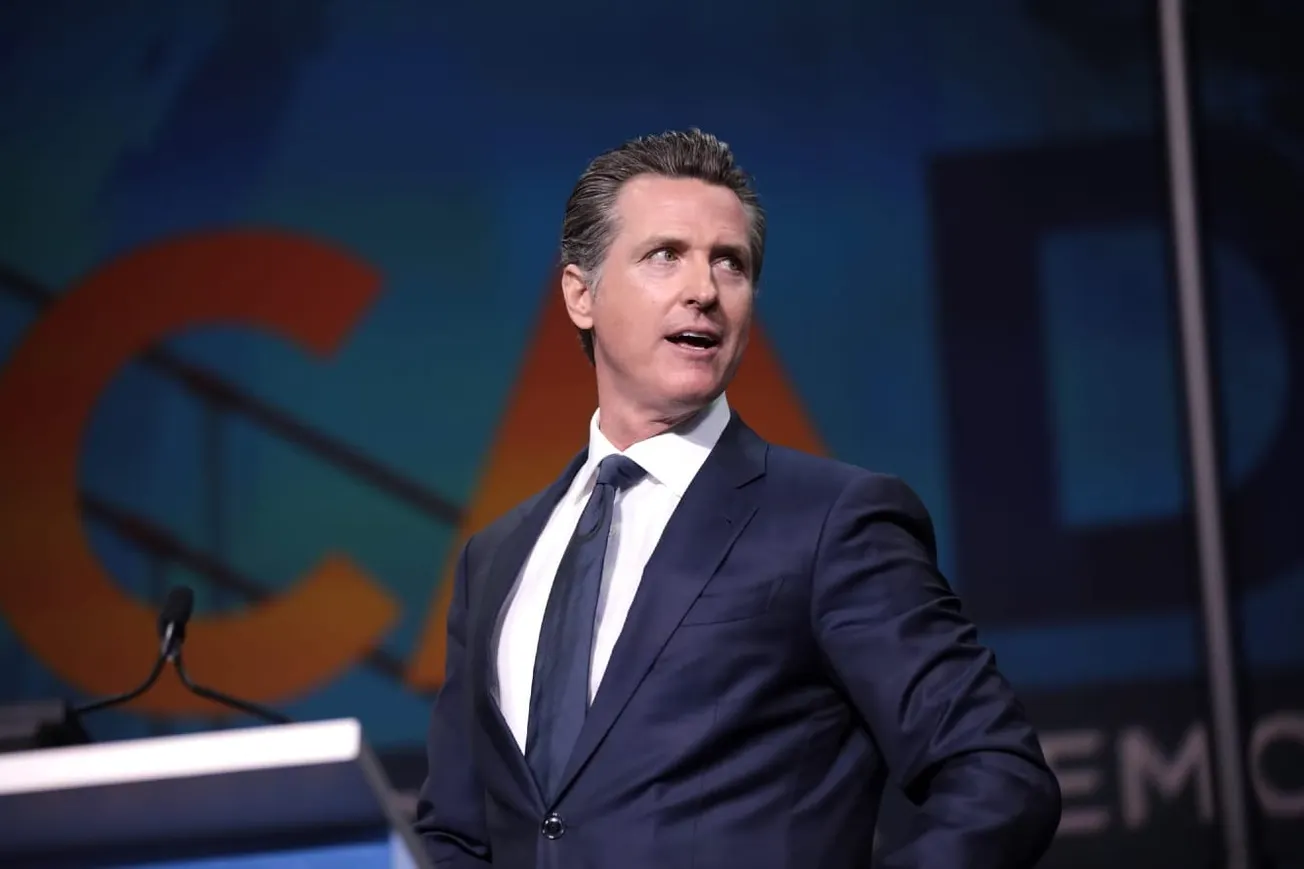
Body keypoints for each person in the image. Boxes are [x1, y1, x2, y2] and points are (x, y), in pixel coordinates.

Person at [414, 128, 1062, 868]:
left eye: (731, 263)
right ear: (580, 294)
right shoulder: (496, 558)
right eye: (665, 255)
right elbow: (456, 834)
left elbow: (999, 776)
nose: (704, 289)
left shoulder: (832, 523)